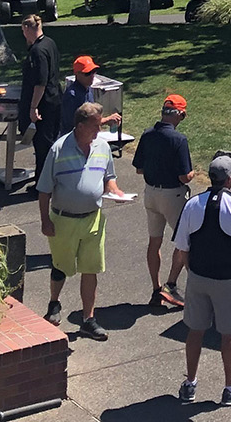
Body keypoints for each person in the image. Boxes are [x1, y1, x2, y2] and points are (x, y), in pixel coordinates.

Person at [173, 155, 231, 406]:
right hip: (228, 280)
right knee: (228, 333)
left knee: (195, 330)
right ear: (230, 179)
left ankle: (190, 384)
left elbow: (182, 245)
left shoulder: (192, 205)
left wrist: (191, 270)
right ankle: (230, 388)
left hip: (198, 277)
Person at [41, 101, 125, 337]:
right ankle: (54, 303)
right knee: (61, 265)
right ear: (80, 126)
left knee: (90, 269)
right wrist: (45, 221)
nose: (99, 129)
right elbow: (44, 190)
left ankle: (88, 318)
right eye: (95, 125)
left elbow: (109, 177)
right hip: (63, 220)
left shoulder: (102, 147)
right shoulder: (58, 149)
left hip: (93, 219)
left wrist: (116, 191)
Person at [133, 94, 195, 311]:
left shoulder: (147, 134)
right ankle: (173, 285)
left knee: (154, 242)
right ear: (180, 114)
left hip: (151, 194)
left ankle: (156, 289)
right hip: (173, 196)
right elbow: (184, 177)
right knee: (185, 241)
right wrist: (192, 174)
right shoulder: (179, 140)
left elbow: (139, 169)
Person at [18, 14, 63, 182]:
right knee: (49, 143)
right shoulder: (49, 43)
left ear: (27, 28)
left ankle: (43, 185)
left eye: (23, 31)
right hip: (54, 98)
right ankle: (44, 181)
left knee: (43, 146)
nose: (23, 35)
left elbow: (40, 83)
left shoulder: (38, 51)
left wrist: (33, 107)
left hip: (44, 104)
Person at [61, 54, 123, 135]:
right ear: (77, 74)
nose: (92, 76)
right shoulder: (72, 96)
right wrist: (106, 120)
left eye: (93, 72)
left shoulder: (88, 89)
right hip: (73, 138)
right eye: (88, 73)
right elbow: (79, 125)